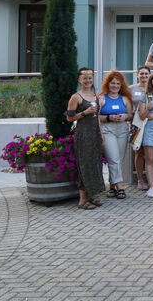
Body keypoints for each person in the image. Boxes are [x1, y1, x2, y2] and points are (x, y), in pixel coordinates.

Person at [66, 67, 105, 210]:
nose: (88, 80)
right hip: (83, 135)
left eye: (90, 78)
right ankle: (82, 200)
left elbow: (98, 118)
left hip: (95, 134)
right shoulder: (76, 97)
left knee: (95, 164)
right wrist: (85, 112)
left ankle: (92, 195)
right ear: (79, 80)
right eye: (85, 78)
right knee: (85, 165)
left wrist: (101, 134)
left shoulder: (95, 95)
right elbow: (70, 118)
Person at [98, 70, 133, 200]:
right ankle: (120, 187)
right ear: (108, 84)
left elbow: (130, 115)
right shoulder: (101, 98)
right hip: (108, 130)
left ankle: (112, 187)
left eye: (118, 83)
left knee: (119, 159)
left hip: (122, 130)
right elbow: (96, 117)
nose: (115, 86)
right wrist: (108, 117)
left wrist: (125, 116)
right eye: (113, 83)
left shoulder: (124, 99)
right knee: (113, 158)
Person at [130, 66, 151, 190]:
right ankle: (140, 179)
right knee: (139, 151)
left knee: (151, 152)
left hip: (151, 122)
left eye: (146, 74)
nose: (144, 76)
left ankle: (150, 179)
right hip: (137, 123)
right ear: (137, 75)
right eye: (141, 74)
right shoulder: (131, 89)